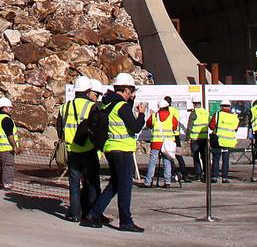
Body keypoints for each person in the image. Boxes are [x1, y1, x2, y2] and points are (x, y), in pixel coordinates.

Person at [87, 73, 147, 232]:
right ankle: (126, 221)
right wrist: (141, 114)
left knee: (114, 184)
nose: (132, 94)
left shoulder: (109, 104)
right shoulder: (122, 106)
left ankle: (94, 212)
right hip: (122, 150)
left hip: (111, 148)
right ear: (126, 89)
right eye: (131, 91)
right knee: (125, 186)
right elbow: (134, 127)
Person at [60, 76, 101, 224]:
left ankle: (75, 214)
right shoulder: (92, 106)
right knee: (91, 183)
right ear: (88, 90)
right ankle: (91, 212)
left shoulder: (64, 107)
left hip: (72, 151)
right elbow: (97, 130)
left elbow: (60, 130)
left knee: (74, 184)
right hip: (88, 150)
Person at [142, 96, 180, 188]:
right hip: (168, 143)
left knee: (152, 162)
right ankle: (167, 182)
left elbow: (149, 124)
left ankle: (148, 181)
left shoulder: (154, 116)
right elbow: (174, 127)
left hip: (156, 142)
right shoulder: (172, 116)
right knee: (167, 162)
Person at [0, 96, 20, 190]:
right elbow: (9, 135)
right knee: (8, 167)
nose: (11, 109)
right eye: (9, 107)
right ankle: (7, 186)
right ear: (4, 107)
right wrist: (14, 146)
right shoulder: (7, 119)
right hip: (7, 149)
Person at [210, 100, 240, 183]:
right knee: (226, 160)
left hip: (218, 141)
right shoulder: (234, 116)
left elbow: (211, 126)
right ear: (229, 107)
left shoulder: (217, 115)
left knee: (216, 159)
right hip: (229, 142)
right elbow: (236, 128)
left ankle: (215, 177)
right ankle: (225, 177)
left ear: (221, 106)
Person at [188, 98, 211, 183]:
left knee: (196, 157)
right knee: (204, 157)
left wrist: (187, 138)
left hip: (195, 138)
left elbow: (190, 127)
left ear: (194, 104)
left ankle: (198, 173)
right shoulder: (205, 112)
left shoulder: (194, 113)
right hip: (204, 138)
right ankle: (206, 174)